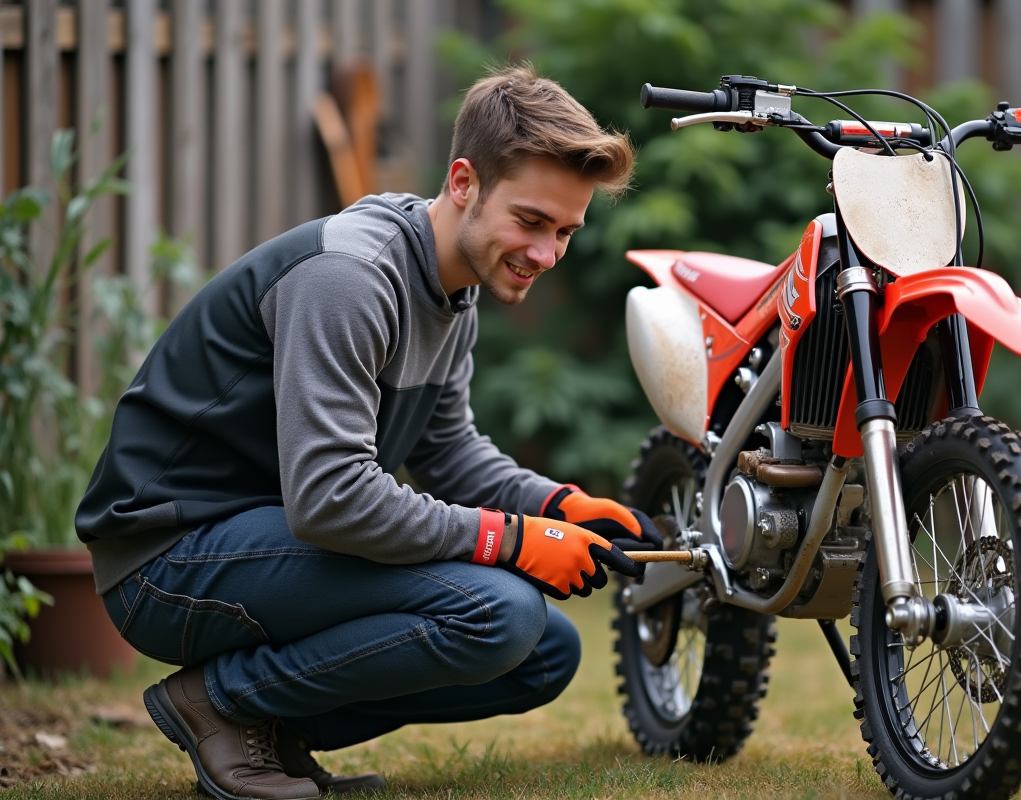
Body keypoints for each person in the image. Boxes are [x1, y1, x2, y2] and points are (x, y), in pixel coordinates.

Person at [74, 64, 660, 800]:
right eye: (531, 221)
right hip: (169, 558)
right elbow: (332, 499)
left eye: (566, 231)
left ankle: (268, 731)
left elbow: (446, 450)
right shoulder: (349, 278)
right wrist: (513, 539)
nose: (546, 254)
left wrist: (556, 506)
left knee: (542, 651)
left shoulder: (453, 288)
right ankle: (220, 704)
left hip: (267, 539)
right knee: (497, 613)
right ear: (462, 182)